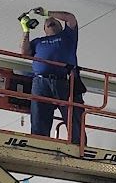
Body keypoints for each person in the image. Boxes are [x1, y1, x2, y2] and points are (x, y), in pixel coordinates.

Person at [21, 10, 84, 142]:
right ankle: (39, 145)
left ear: (61, 25)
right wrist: (26, 30)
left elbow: (70, 17)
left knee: (73, 117)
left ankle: (78, 147)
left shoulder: (67, 36)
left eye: (54, 21)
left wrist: (46, 12)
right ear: (44, 29)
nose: (50, 21)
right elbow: (25, 53)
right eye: (47, 22)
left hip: (65, 81)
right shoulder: (38, 41)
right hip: (41, 82)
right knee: (39, 118)